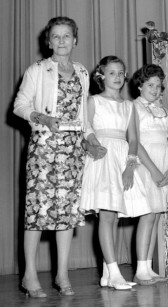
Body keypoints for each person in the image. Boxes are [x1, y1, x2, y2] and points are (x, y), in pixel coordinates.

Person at [13, 16, 103, 297]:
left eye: (67, 36)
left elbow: (83, 118)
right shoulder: (38, 69)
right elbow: (19, 106)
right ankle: (29, 276)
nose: (62, 41)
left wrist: (91, 140)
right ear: (48, 41)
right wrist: (41, 118)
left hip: (73, 150)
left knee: (67, 215)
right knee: (38, 213)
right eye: (56, 36)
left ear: (75, 40)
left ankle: (62, 275)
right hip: (44, 147)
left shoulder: (82, 72)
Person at [80, 55, 148, 290]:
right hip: (103, 157)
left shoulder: (129, 106)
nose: (117, 77)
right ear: (101, 76)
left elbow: (133, 139)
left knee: (115, 217)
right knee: (107, 215)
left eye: (121, 73)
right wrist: (93, 144)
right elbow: (86, 128)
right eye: (112, 73)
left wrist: (130, 167)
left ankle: (108, 275)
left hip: (122, 159)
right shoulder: (94, 101)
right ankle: (115, 271)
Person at [130, 64, 168, 284]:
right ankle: (140, 269)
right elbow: (136, 142)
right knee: (147, 215)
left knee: (155, 217)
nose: (155, 90)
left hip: (165, 167)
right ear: (140, 86)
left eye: (158, 86)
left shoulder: (163, 111)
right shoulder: (134, 107)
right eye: (150, 85)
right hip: (147, 165)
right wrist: (154, 171)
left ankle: (149, 269)